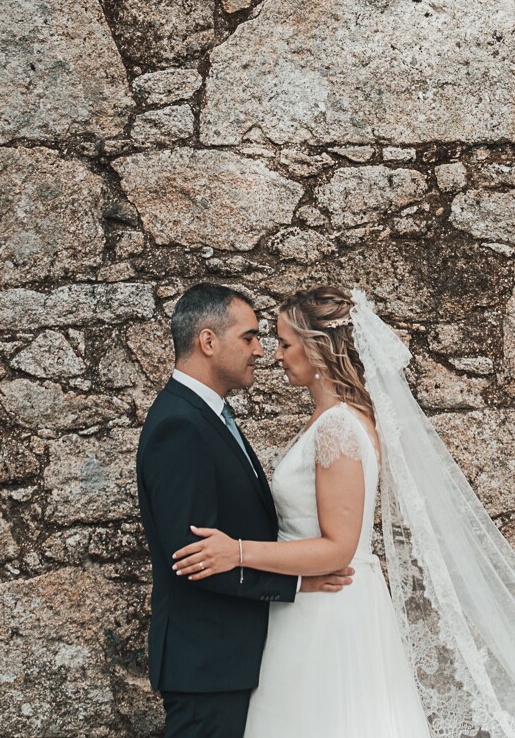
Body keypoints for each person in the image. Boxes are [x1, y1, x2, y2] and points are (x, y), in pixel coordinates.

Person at [171, 286, 515, 738]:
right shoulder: (329, 422)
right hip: (308, 604)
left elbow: (338, 547)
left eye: (285, 343)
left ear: (318, 349)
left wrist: (237, 552)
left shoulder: (339, 428)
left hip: (326, 611)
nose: (275, 355)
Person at [135, 282, 355, 738]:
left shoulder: (205, 415)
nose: (261, 350)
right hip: (207, 664)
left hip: (229, 661)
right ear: (208, 342)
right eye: (250, 337)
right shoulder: (179, 424)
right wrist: (298, 581)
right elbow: (194, 559)